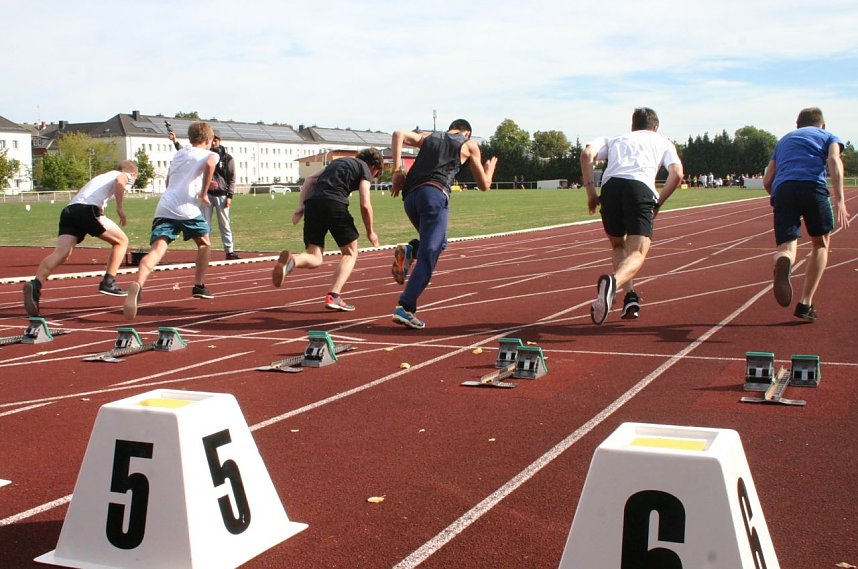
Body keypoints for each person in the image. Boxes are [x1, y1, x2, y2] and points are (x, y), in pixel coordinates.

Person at [389, 119, 498, 329]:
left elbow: (397, 134)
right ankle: (406, 306)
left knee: (439, 243)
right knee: (431, 252)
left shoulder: (429, 137)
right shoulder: (469, 145)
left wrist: (397, 171)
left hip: (410, 198)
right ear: (467, 132)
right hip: (434, 195)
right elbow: (484, 185)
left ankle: (411, 250)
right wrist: (489, 168)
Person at [580, 107, 684, 325]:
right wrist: (658, 204)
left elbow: (587, 154)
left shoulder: (616, 139)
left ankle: (630, 296)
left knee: (618, 245)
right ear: (655, 128)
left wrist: (591, 194)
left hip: (611, 188)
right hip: (640, 188)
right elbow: (677, 174)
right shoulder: (662, 142)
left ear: (632, 126)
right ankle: (613, 283)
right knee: (637, 252)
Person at [123, 121, 218, 320]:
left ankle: (138, 284)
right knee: (204, 243)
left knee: (157, 250)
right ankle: (199, 285)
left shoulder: (179, 154)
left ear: (191, 138)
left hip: (165, 205)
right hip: (187, 208)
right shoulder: (210, 154)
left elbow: (168, 181)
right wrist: (203, 191)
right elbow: (210, 164)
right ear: (209, 140)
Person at [763, 107, 850, 322]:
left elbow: (768, 178)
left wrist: (776, 195)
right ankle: (806, 303)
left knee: (786, 246)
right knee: (820, 244)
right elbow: (834, 161)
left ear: (797, 125)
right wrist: (840, 199)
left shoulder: (784, 140)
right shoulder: (829, 136)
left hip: (783, 188)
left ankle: (784, 260)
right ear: (822, 124)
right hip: (812, 187)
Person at [272, 148, 382, 311]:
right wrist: (370, 231)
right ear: (374, 167)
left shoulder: (338, 162)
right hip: (334, 203)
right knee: (350, 252)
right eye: (376, 174)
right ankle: (334, 296)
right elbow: (365, 203)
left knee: (314, 256)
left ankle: (292, 260)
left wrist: (300, 207)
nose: (373, 177)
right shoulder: (364, 168)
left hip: (313, 204)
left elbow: (310, 179)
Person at [22, 161, 138, 316]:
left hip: (70, 210)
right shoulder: (124, 175)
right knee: (121, 241)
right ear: (133, 174)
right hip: (87, 210)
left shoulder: (101, 177)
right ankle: (108, 282)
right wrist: (120, 208)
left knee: (61, 253)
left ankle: (35, 285)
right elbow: (120, 182)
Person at [170, 130, 239, 259]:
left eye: (216, 139)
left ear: (220, 140)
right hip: (207, 194)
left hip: (222, 195)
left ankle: (229, 250)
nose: (214, 141)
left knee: (224, 223)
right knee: (205, 224)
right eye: (212, 139)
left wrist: (230, 196)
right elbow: (186, 152)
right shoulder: (203, 154)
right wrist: (175, 141)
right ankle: (206, 249)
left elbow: (232, 178)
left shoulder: (227, 158)